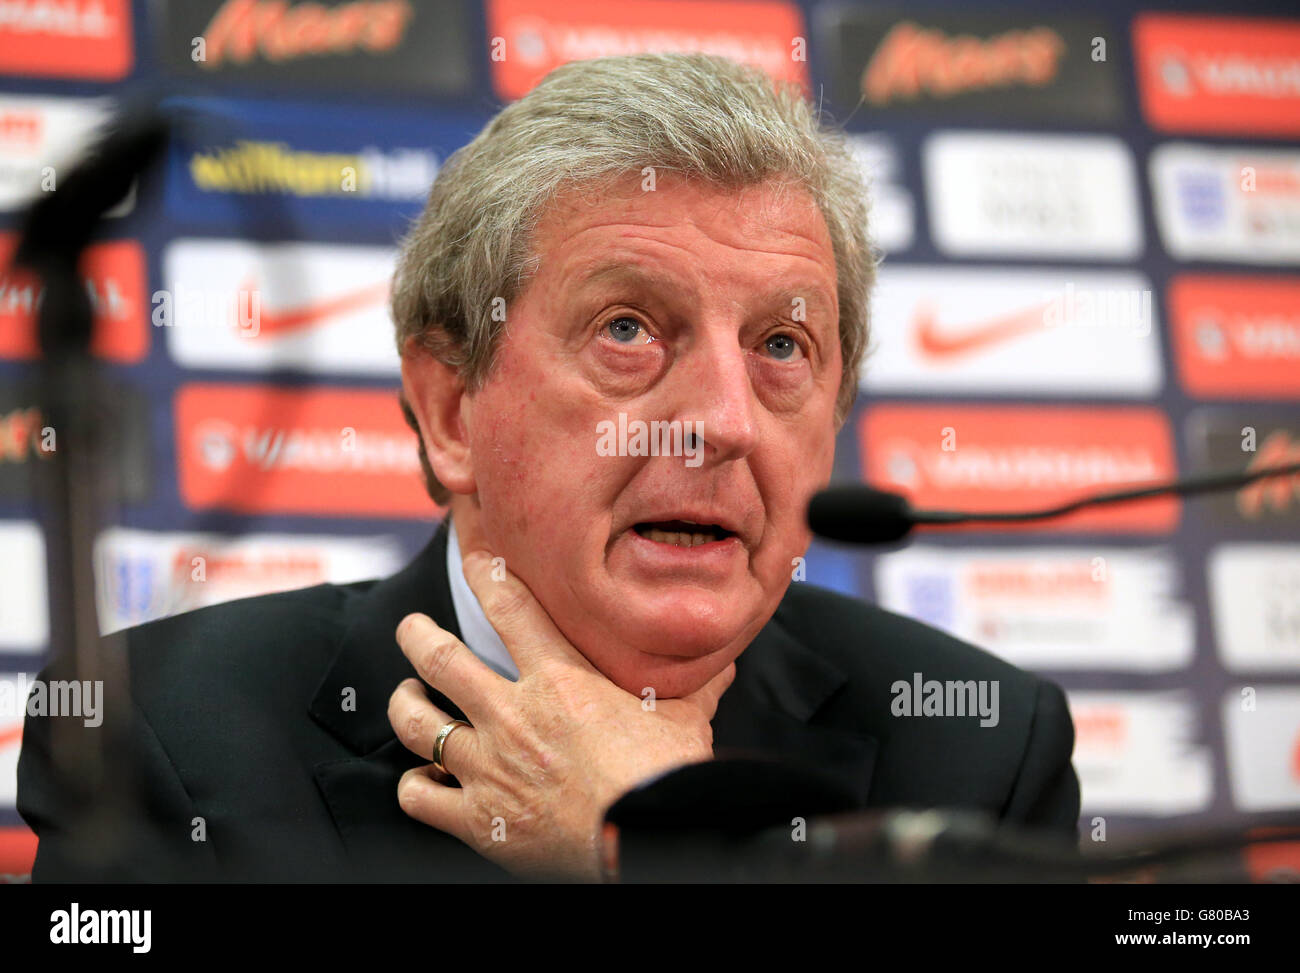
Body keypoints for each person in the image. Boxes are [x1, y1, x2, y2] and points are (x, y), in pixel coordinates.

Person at [18, 52, 1079, 883]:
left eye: (782, 347)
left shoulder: (975, 751)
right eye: (628, 329)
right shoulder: (157, 730)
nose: (722, 420)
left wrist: (658, 855)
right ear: (449, 410)